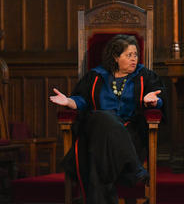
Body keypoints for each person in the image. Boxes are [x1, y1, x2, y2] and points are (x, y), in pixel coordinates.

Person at [50, 34, 166, 204]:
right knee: (102, 117)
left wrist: (154, 101)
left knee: (96, 156)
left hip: (127, 134)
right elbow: (82, 100)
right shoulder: (96, 76)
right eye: (128, 55)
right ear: (116, 57)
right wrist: (68, 101)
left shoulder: (144, 76)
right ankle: (134, 167)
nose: (134, 59)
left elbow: (158, 98)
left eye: (135, 55)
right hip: (96, 126)